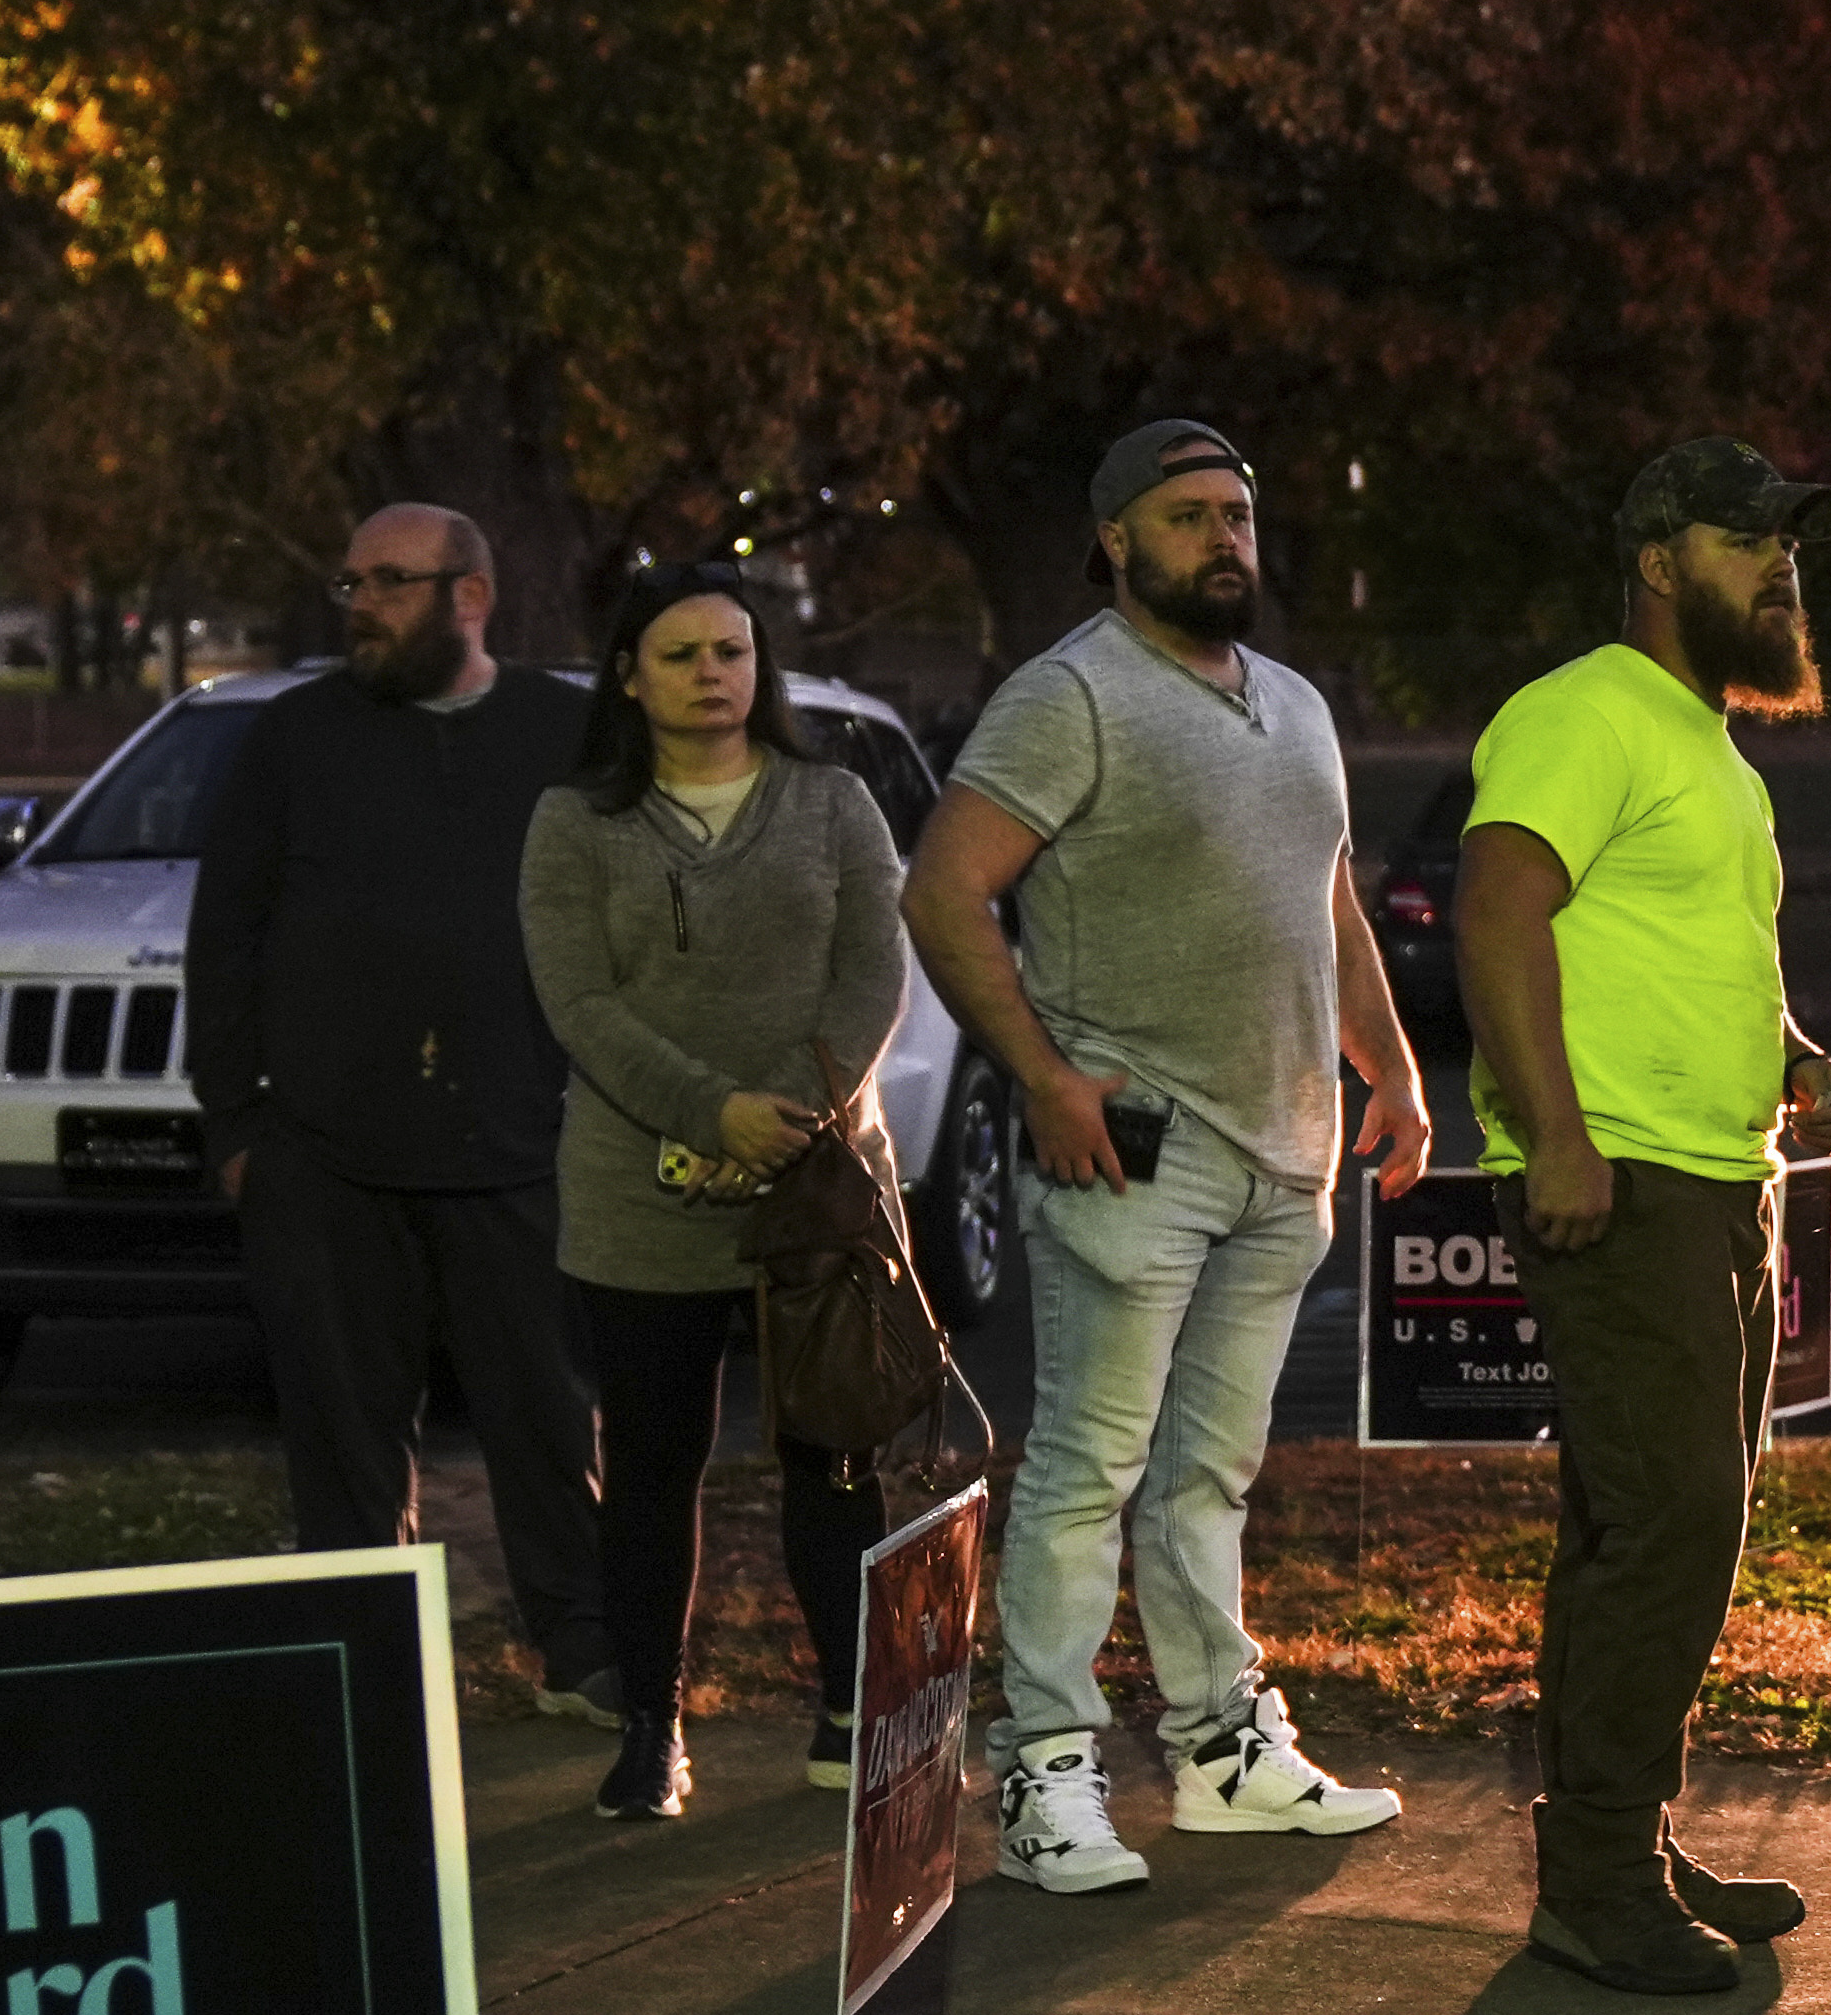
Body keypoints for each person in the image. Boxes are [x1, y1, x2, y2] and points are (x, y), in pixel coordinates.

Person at [906, 417, 1431, 1896]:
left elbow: (1327, 901)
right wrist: (1043, 1078)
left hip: (1287, 1156)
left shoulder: (1297, 705)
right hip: (1134, 1153)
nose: (1225, 540)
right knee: (1086, 1468)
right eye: (1191, 515)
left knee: (1208, 1474)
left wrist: (1386, 1065)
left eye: (1239, 516)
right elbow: (943, 894)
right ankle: (1045, 1772)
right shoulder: (1067, 694)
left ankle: (1223, 1756)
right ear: (1119, 538)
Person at [1455, 438, 1831, 1993]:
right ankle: (1598, 1875)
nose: (1777, 566)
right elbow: (1499, 911)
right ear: (1654, 560)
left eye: (1787, 543)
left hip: (1711, 1174)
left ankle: (1615, 1834)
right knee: (1674, 1516)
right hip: (1616, 1174)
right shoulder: (1581, 712)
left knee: (1645, 1521)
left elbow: (1665, 944)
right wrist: (1556, 1134)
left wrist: (1787, 1057)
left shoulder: (1710, 748)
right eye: (1743, 538)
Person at [186, 502, 612, 1710]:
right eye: (352, 579)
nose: (361, 604)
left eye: (391, 580)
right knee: (342, 1438)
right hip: (323, 1155)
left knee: (545, 1419)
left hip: (518, 1146)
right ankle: (361, 1673)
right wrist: (238, 1128)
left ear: (470, 597)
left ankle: (579, 1656)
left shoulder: (561, 731)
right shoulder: (295, 736)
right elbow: (227, 937)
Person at [523, 568, 914, 1820]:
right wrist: (712, 1114)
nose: (712, 671)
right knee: (651, 1463)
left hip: (820, 1190)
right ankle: (652, 1724)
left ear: (763, 668)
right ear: (629, 674)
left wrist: (787, 1118)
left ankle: (851, 1712)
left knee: (830, 1453)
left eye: (733, 649)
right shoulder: (576, 822)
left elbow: (875, 970)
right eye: (681, 651)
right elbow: (579, 1003)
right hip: (637, 1196)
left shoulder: (835, 801)